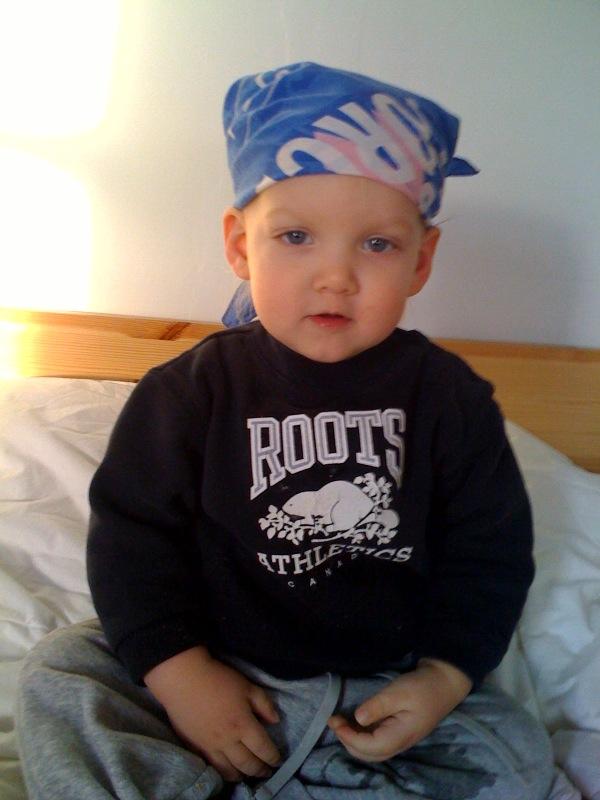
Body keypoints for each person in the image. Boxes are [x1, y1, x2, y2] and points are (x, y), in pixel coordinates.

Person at [17, 62, 554, 800]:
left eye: (377, 245)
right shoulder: (189, 392)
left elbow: (490, 551)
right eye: (296, 236)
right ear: (241, 244)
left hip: (379, 685)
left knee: (518, 757)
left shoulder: (449, 398)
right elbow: (132, 540)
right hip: (218, 663)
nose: (335, 275)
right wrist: (179, 674)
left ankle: (305, 774)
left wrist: (444, 677)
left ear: (421, 260)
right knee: (61, 671)